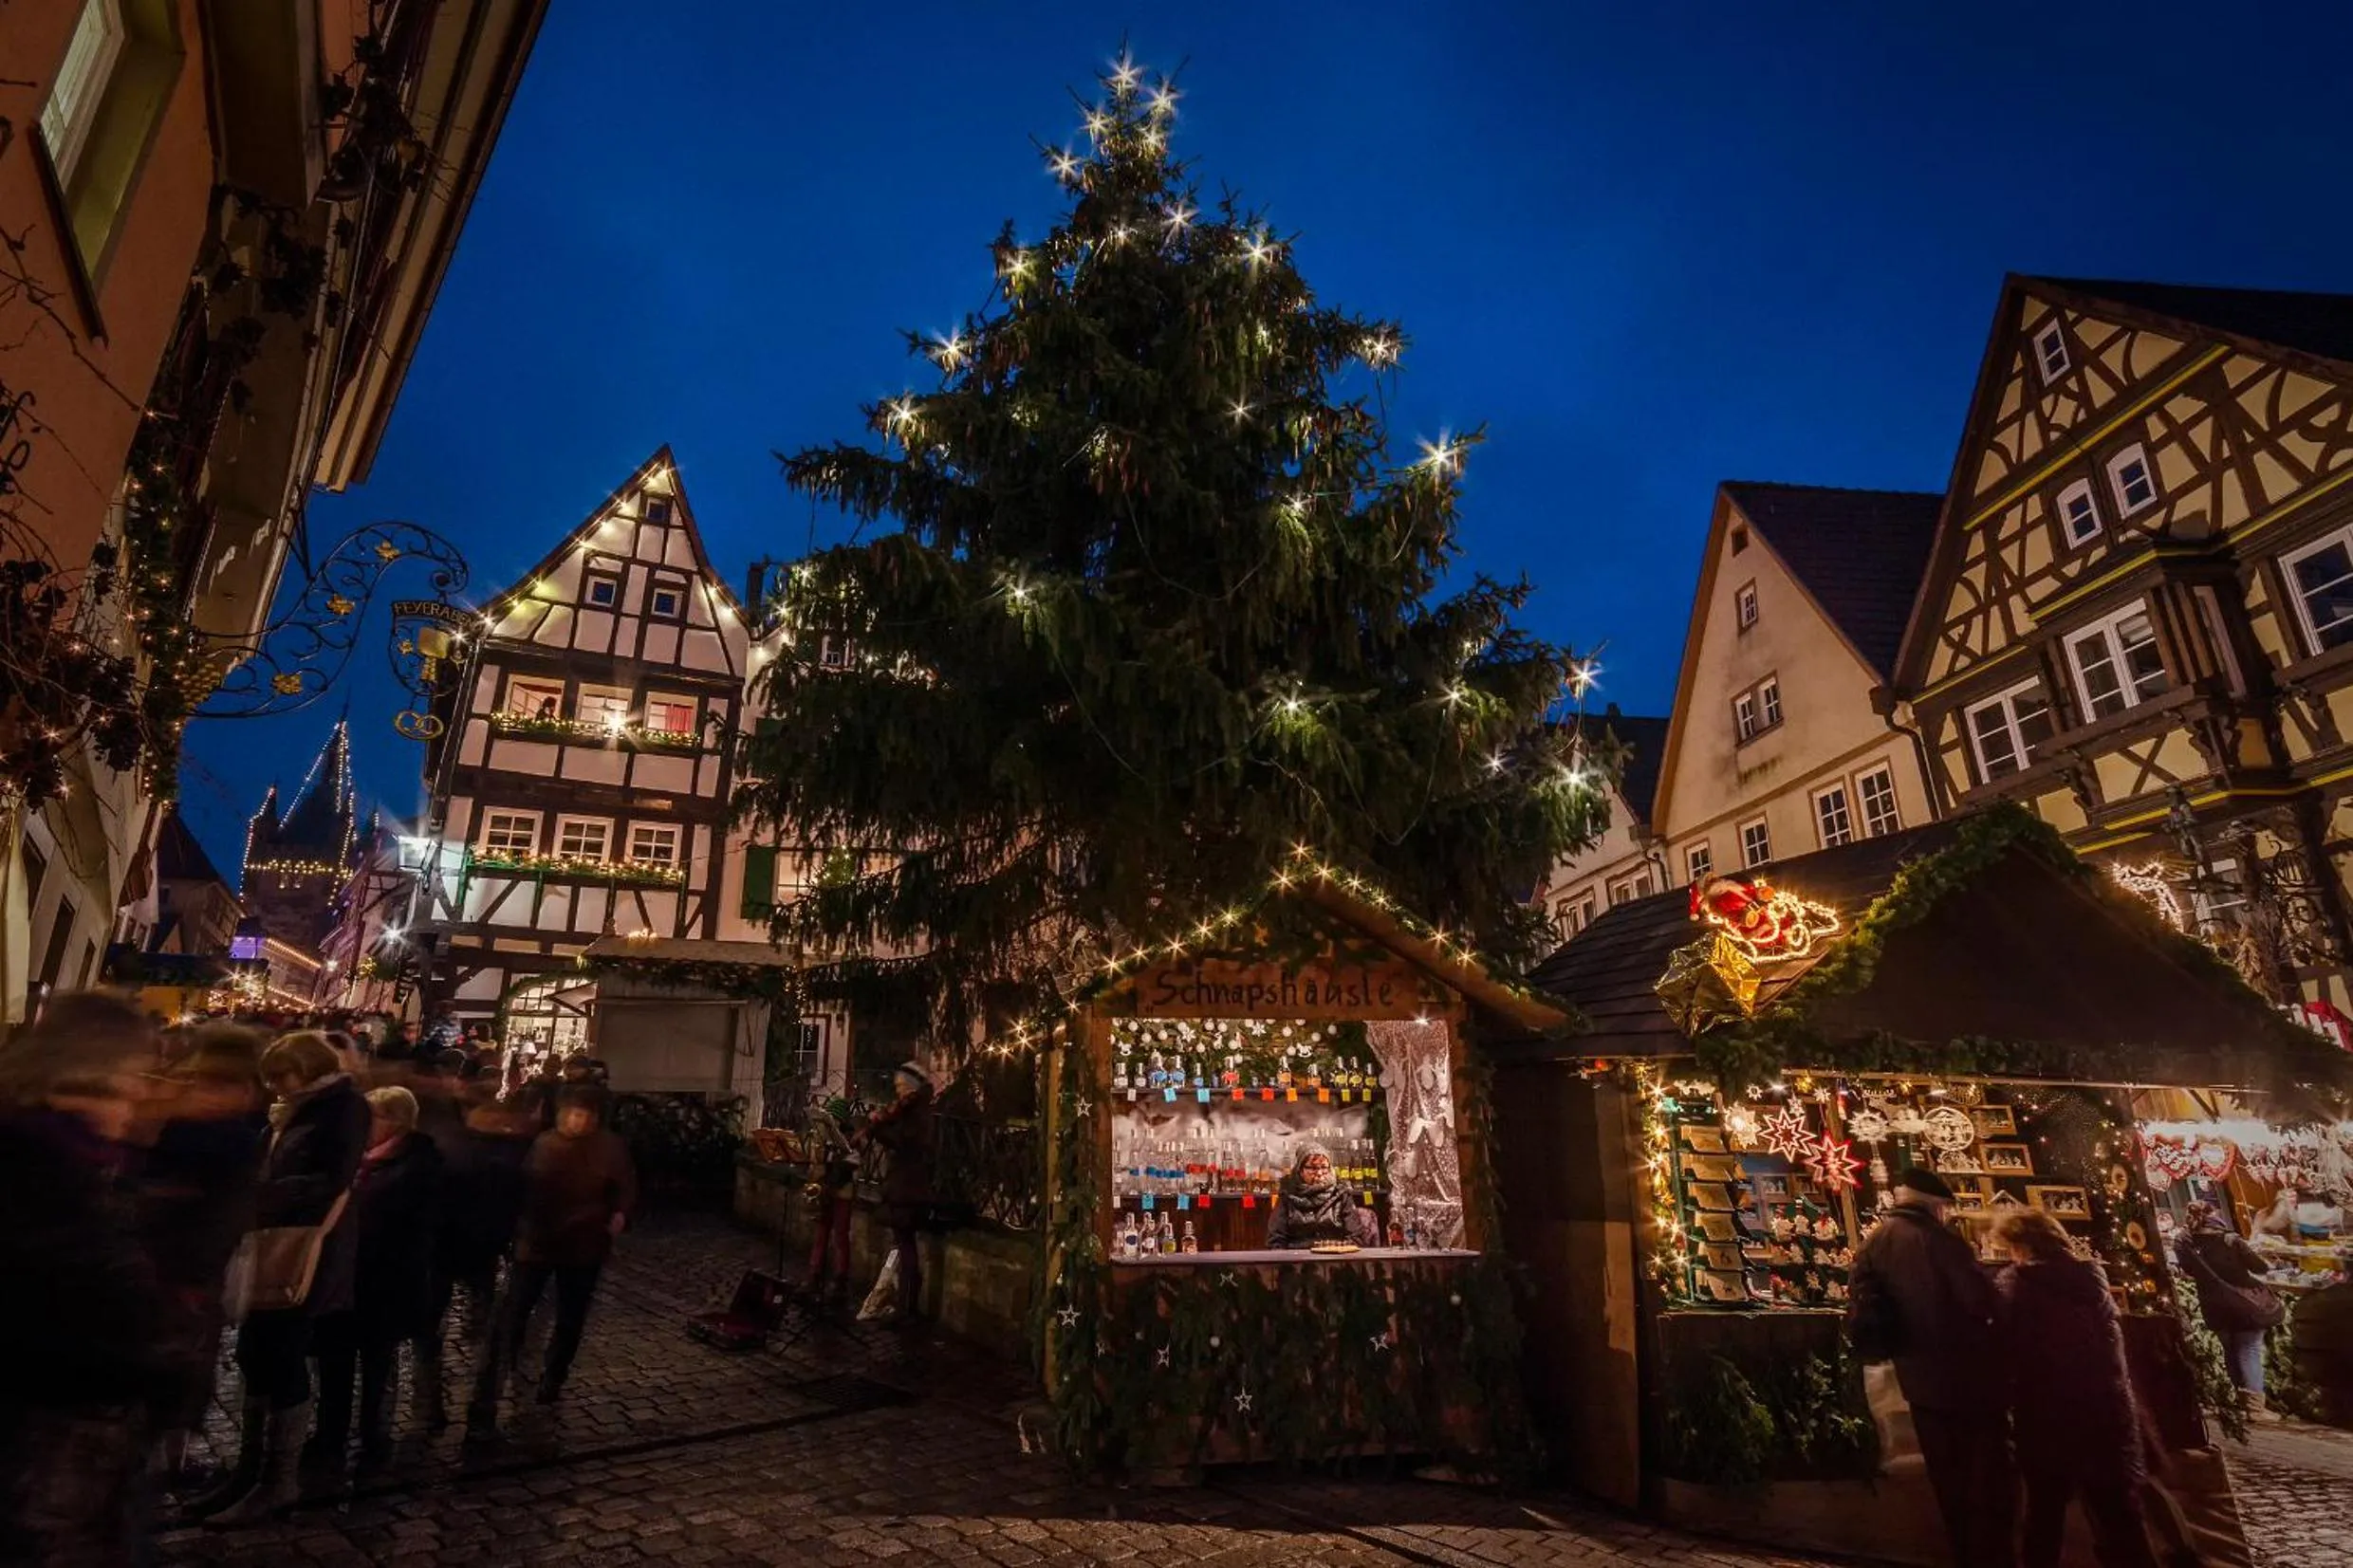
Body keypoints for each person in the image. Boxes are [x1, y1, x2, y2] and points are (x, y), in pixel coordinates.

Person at [0, 994, 177, 1562]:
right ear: (90, 1072)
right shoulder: (43, 1170)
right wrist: (155, 1360)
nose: (143, 1093)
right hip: (41, 1464)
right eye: (133, 1075)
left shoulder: (81, 1160)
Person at [200, 1031, 368, 1525]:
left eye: (282, 1077)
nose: (274, 1087)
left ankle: (278, 1482)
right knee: (256, 1351)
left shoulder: (342, 1108)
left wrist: (261, 1195)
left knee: (284, 1354)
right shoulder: (291, 1109)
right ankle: (248, 1471)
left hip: (306, 1249)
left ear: (309, 1069)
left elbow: (330, 1180)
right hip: (271, 1239)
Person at [1846, 1167, 2015, 1568]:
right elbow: (1981, 1302)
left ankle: (1963, 1551)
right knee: (1988, 1479)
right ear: (1937, 1206)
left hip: (1917, 1377)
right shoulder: (1941, 1242)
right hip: (1968, 1378)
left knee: (1948, 1478)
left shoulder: (1875, 1241)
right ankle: (1993, 1555)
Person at [138, 1024, 269, 1494]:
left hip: (157, 1264)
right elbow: (228, 1210)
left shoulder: (164, 1114)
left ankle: (158, 1457)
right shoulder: (230, 1135)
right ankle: (167, 1460)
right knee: (180, 1369)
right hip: (185, 1271)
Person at [465, 1086, 636, 1439]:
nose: (577, 1120)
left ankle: (554, 1376)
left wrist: (617, 1214)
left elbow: (625, 1187)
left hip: (584, 1245)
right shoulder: (545, 1144)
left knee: (570, 1316)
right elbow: (525, 1187)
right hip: (538, 1244)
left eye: (584, 1115)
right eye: (572, 1113)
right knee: (514, 1313)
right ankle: (501, 1376)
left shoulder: (609, 1148)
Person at [1992, 1209, 2158, 1568]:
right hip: (2104, 1409)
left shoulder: (2016, 1287)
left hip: (2046, 1413)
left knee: (2044, 1515)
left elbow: (2005, 1352)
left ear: (2021, 1246)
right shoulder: (2091, 1278)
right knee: (2118, 1514)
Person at [311, 1087, 445, 1478]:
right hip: (346, 1280)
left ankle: (374, 1436)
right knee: (334, 1363)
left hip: (385, 1283)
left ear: (397, 1123)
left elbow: (417, 1229)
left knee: (376, 1367)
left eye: (375, 1118)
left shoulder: (418, 1165)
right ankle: (329, 1436)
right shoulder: (357, 1160)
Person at [2173, 1200, 2283, 1417]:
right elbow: (2258, 1267)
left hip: (2212, 1304)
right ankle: (2256, 1408)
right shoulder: (2230, 1239)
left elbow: (2189, 1270)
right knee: (2248, 1349)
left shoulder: (2184, 1243)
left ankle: (2244, 1403)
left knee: (2230, 1351)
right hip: (2243, 1303)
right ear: (2213, 1215)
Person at [854, 1062, 936, 1325]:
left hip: (909, 1187)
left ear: (912, 1087)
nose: (898, 1092)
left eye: (901, 1087)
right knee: (904, 1246)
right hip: (904, 1185)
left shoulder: (918, 1113)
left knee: (907, 1247)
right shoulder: (911, 1110)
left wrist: (878, 1127)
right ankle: (903, 1304)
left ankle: (907, 1308)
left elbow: (903, 1142)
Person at [1266, 1143, 1381, 1249]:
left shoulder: (1341, 1194)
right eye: (1313, 1168)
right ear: (1300, 1170)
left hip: (1334, 1260)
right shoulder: (1287, 1195)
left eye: (1324, 1167)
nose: (1320, 1173)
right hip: (1297, 1262)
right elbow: (1276, 1240)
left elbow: (1356, 1237)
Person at [803, 1098, 860, 1312]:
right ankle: (814, 1276)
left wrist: (829, 1164)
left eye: (834, 1120)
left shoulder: (850, 1140)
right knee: (820, 1234)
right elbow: (816, 1162)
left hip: (841, 1192)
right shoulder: (821, 1137)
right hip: (824, 1189)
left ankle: (840, 1281)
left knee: (840, 1236)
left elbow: (850, 1165)